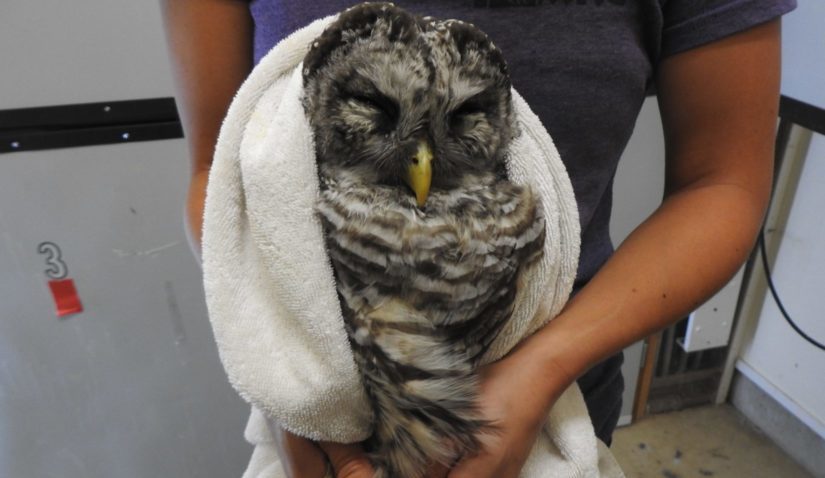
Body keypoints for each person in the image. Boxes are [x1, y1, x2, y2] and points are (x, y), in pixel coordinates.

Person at [162, 1, 796, 477]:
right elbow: (223, 187)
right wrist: (295, 387)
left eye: (462, 118)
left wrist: (541, 370)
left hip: (554, 375)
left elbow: (723, 184)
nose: (421, 162)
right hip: (315, 395)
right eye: (377, 111)